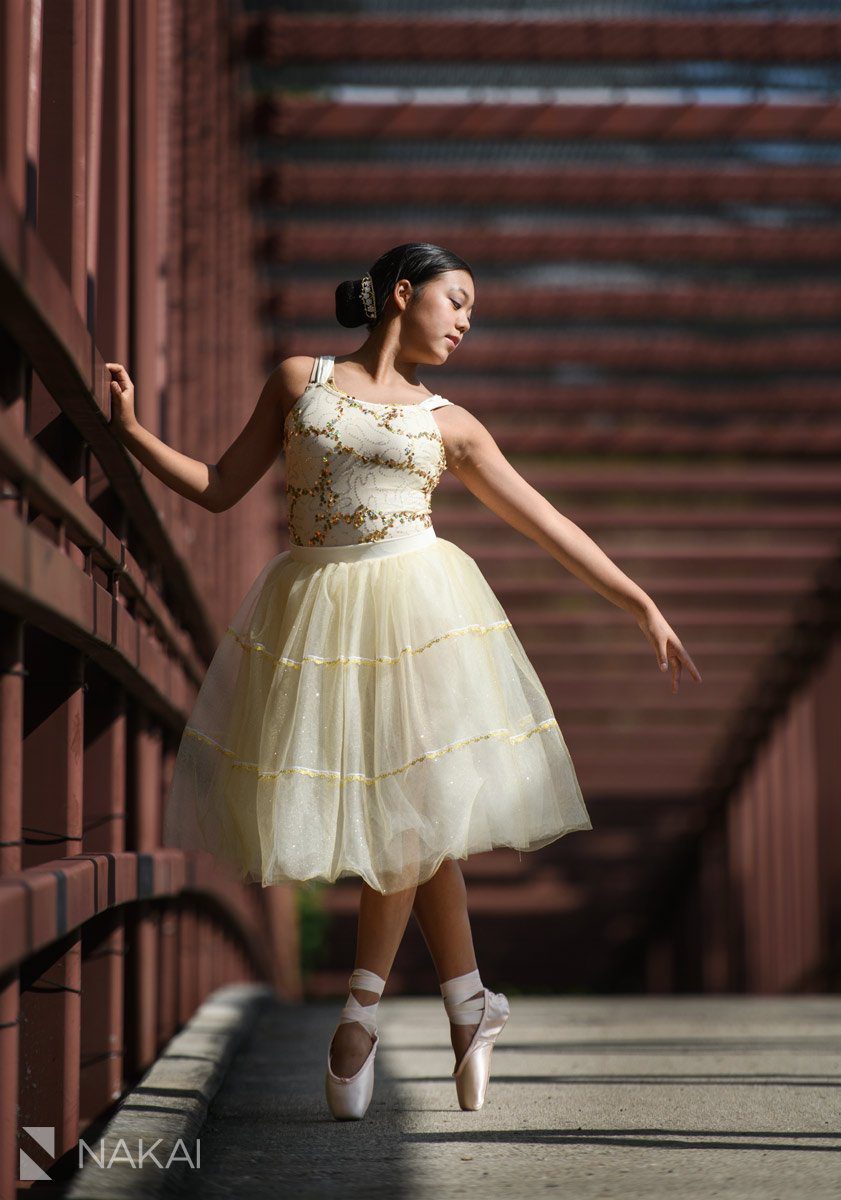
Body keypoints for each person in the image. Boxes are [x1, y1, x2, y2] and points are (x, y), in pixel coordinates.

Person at [106, 241, 701, 1121]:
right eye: (454, 301)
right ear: (399, 294)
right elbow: (219, 487)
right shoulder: (298, 379)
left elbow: (543, 519)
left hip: (421, 617)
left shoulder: (451, 422)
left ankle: (360, 1012)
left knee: (408, 810)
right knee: (413, 815)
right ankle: (470, 1007)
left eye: (471, 311)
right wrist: (130, 433)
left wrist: (638, 599)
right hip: (315, 621)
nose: (463, 322)